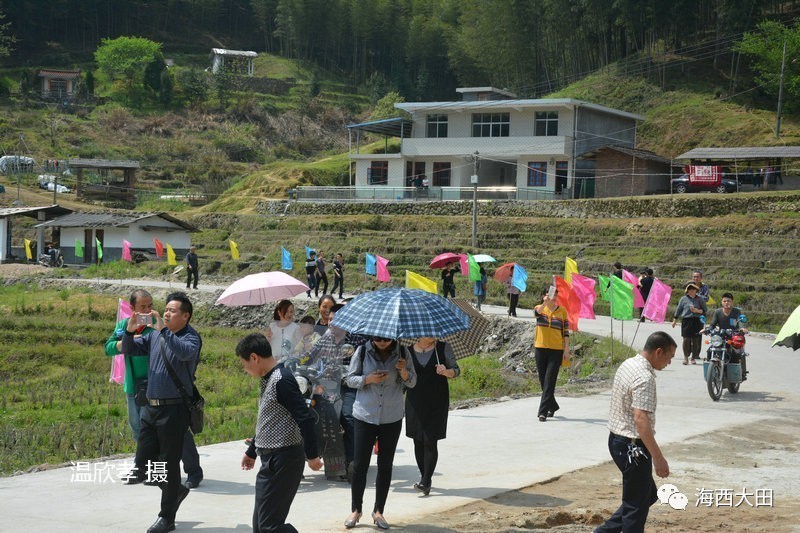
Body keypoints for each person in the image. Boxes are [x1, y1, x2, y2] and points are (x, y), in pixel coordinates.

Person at [120, 292, 201, 533]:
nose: (166, 313)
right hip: (150, 408)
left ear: (185, 316)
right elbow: (128, 349)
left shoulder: (191, 338)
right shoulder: (156, 336)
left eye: (173, 311)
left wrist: (162, 330)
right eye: (165, 309)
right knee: (144, 465)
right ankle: (175, 490)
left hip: (174, 410)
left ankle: (167, 517)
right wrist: (129, 330)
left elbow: (185, 353)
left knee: (168, 464)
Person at [238, 333, 323, 533]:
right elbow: (270, 421)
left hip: (284, 459)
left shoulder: (282, 379)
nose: (245, 369)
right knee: (260, 526)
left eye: (244, 364)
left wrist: (312, 455)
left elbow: (305, 417)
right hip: (269, 459)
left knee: (270, 526)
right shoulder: (268, 379)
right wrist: (252, 451)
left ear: (254, 358)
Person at [594, 331, 676, 533]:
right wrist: (658, 457)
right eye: (670, 357)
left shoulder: (629, 363)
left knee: (647, 495)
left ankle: (604, 532)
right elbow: (641, 420)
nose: (669, 362)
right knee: (635, 508)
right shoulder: (644, 377)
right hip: (633, 448)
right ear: (658, 352)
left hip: (616, 440)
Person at [344, 337, 416, 530]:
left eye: (385, 339)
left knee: (385, 465)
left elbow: (413, 383)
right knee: (360, 465)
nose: (381, 342)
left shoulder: (403, 352)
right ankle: (356, 509)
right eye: (377, 339)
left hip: (391, 417)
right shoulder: (361, 352)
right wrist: (368, 379)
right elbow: (349, 379)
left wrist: (403, 371)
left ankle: (378, 511)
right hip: (365, 415)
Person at [404, 337, 460, 496]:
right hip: (414, 400)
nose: (432, 334)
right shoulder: (407, 350)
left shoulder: (443, 348)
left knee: (430, 440)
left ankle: (426, 480)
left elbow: (456, 370)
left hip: (437, 400)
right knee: (417, 440)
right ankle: (424, 478)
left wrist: (446, 371)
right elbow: (404, 377)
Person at [533, 287, 570, 422]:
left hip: (556, 350)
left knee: (550, 382)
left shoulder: (562, 311)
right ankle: (553, 405)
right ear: (544, 296)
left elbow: (565, 331)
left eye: (555, 295)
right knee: (543, 382)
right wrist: (544, 303)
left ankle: (542, 412)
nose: (553, 297)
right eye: (550, 295)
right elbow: (537, 313)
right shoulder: (540, 308)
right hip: (540, 349)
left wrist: (566, 349)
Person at [706, 292, 748, 365]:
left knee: (738, 352)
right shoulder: (717, 312)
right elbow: (713, 324)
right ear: (722, 302)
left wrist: (742, 328)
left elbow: (740, 321)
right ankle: (710, 370)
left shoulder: (736, 311)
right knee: (710, 350)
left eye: (728, 301)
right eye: (724, 301)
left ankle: (742, 371)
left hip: (734, 335)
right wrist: (707, 329)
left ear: (732, 302)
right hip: (721, 335)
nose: (726, 303)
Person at [671, 282, 707, 365]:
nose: (691, 291)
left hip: (697, 321)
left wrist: (697, 311)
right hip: (686, 320)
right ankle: (686, 357)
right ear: (687, 291)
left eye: (693, 289)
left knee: (695, 340)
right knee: (686, 339)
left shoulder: (700, 299)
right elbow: (679, 309)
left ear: (696, 290)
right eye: (690, 289)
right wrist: (674, 320)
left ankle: (693, 358)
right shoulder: (683, 299)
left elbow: (705, 310)